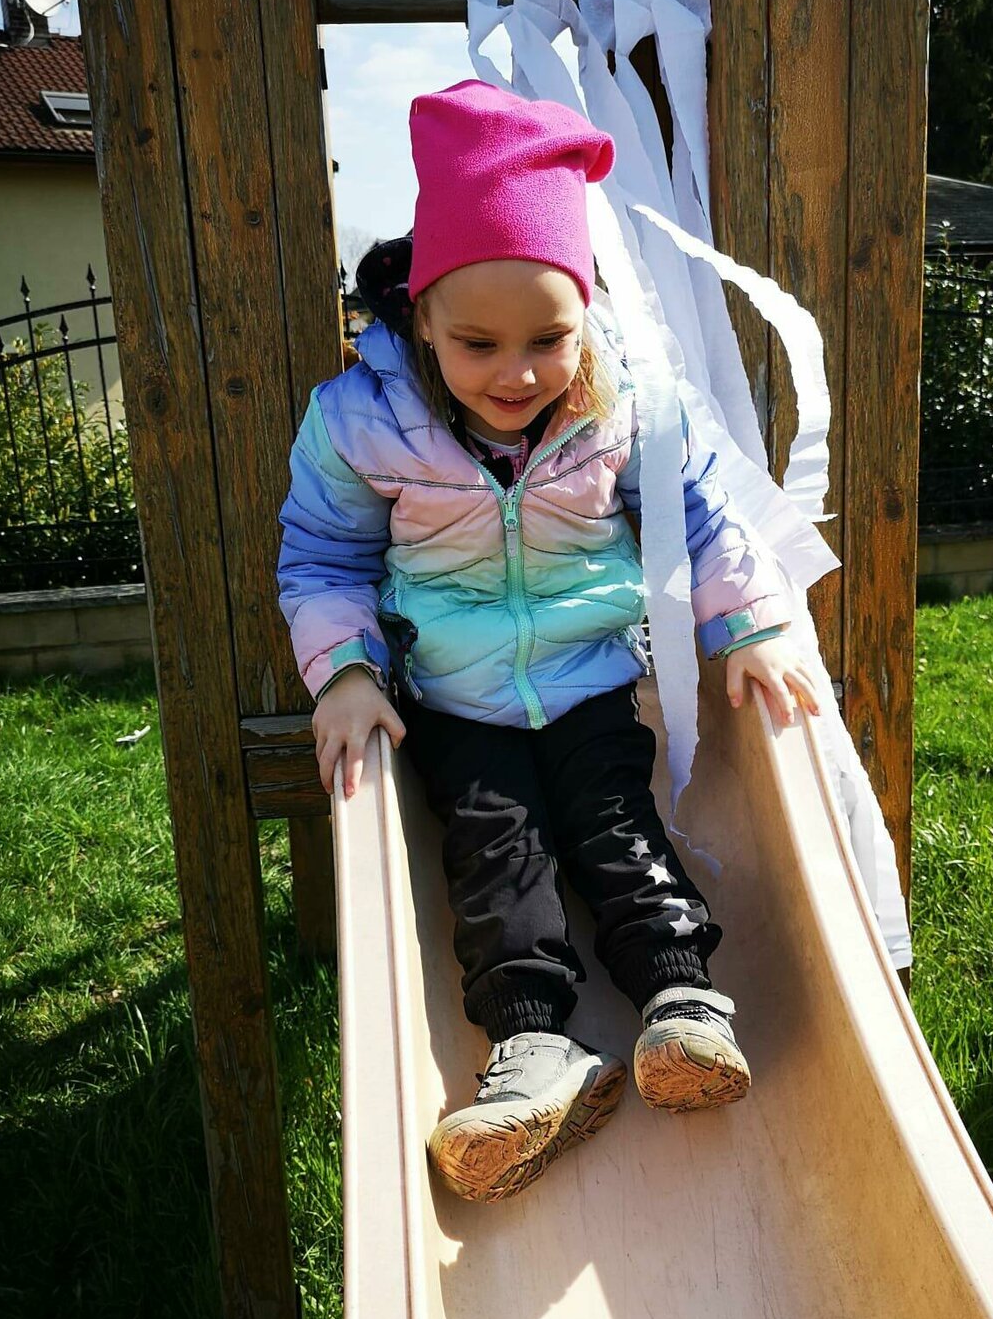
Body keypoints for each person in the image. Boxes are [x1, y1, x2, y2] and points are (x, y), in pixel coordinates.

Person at [276, 79, 823, 1205]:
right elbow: (323, 559)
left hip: (588, 677)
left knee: (615, 823)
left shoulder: (625, 404)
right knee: (497, 854)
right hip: (454, 696)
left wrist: (750, 625)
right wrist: (347, 673)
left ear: (585, 314)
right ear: (419, 316)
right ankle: (534, 1047)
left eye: (548, 339)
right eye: (477, 343)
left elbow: (702, 514)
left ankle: (681, 1000)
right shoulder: (364, 423)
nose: (516, 373)